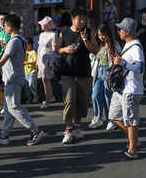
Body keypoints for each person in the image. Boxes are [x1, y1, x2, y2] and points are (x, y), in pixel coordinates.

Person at [0, 14, 46, 146]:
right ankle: (4, 135)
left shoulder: (14, 41)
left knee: (14, 108)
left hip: (13, 78)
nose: (4, 27)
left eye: (5, 25)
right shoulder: (21, 39)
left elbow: (2, 61)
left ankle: (36, 130)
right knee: (8, 109)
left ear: (10, 27)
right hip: (15, 77)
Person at [55, 7, 98, 144]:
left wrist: (86, 40)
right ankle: (68, 131)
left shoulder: (89, 32)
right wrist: (65, 49)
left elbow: (96, 50)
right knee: (69, 100)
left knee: (81, 101)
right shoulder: (64, 32)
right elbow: (57, 49)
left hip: (84, 72)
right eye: (79, 19)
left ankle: (77, 128)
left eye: (84, 19)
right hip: (67, 72)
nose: (82, 21)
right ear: (72, 19)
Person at [110, 18, 145, 161]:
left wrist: (122, 62)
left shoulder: (136, 47)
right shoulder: (128, 44)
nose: (119, 31)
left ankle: (132, 151)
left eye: (121, 29)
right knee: (114, 116)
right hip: (122, 88)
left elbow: (140, 67)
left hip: (131, 89)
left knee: (131, 121)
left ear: (128, 32)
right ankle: (134, 141)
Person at [90, 24, 118, 130]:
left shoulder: (114, 44)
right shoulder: (98, 45)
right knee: (95, 95)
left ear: (108, 34)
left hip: (109, 72)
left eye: (103, 34)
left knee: (108, 97)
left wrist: (113, 57)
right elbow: (92, 56)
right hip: (98, 71)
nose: (101, 37)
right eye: (99, 35)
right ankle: (97, 118)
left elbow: (119, 58)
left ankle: (111, 119)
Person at [36, 16, 59, 109]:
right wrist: (37, 60)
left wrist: (52, 61)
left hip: (48, 58)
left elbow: (54, 49)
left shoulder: (53, 35)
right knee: (44, 79)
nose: (41, 26)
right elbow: (39, 48)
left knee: (46, 78)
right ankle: (50, 97)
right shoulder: (41, 35)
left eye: (42, 24)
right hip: (41, 58)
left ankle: (47, 100)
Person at [22, 37, 39, 104]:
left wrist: (28, 63)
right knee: (26, 87)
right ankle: (29, 97)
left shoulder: (33, 52)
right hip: (26, 72)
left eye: (28, 45)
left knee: (31, 84)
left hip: (33, 71)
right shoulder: (25, 52)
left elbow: (35, 61)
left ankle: (35, 96)